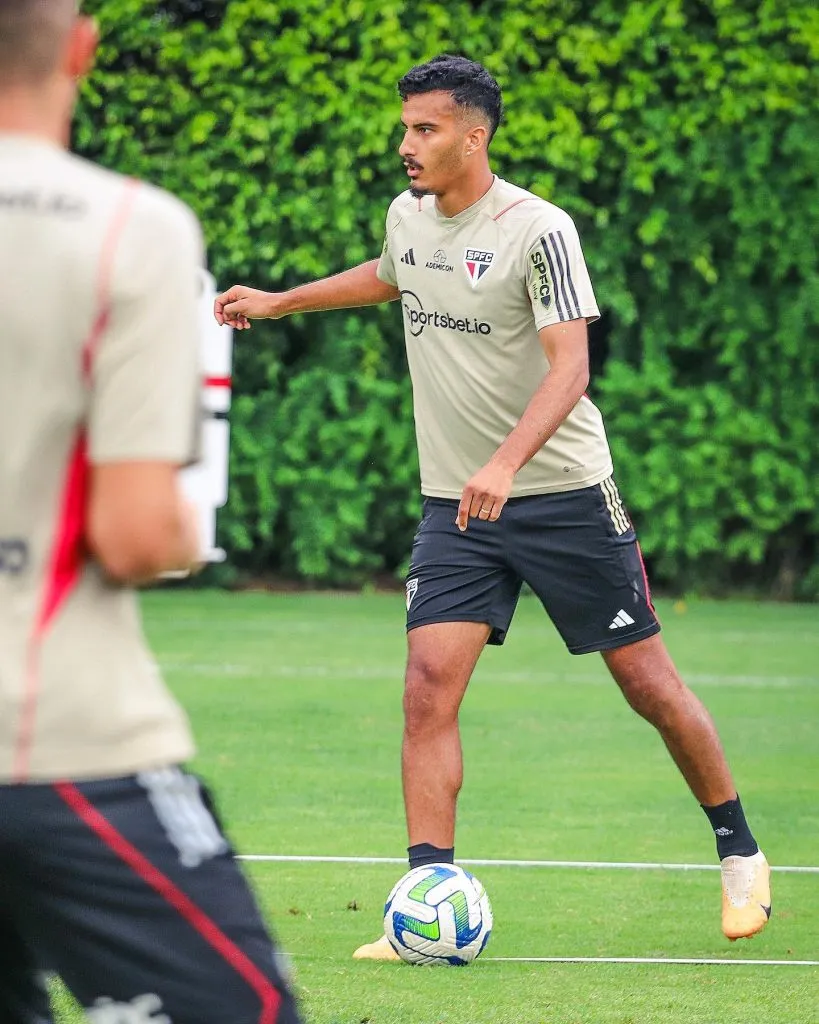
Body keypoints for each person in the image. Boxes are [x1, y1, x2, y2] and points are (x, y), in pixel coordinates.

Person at [214, 54, 771, 960]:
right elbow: (393, 273)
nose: (406, 145)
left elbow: (572, 366)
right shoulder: (409, 215)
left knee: (648, 688)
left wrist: (507, 464)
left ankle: (738, 851)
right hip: (456, 507)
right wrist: (281, 302)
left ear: (473, 135)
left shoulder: (536, 229)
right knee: (427, 689)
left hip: (559, 498)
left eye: (424, 129)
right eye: (404, 128)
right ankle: (425, 899)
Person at [0, 2, 302, 1019]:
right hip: (52, 741)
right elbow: (134, 536)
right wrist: (181, 523)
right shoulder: (134, 229)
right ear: (82, 50)